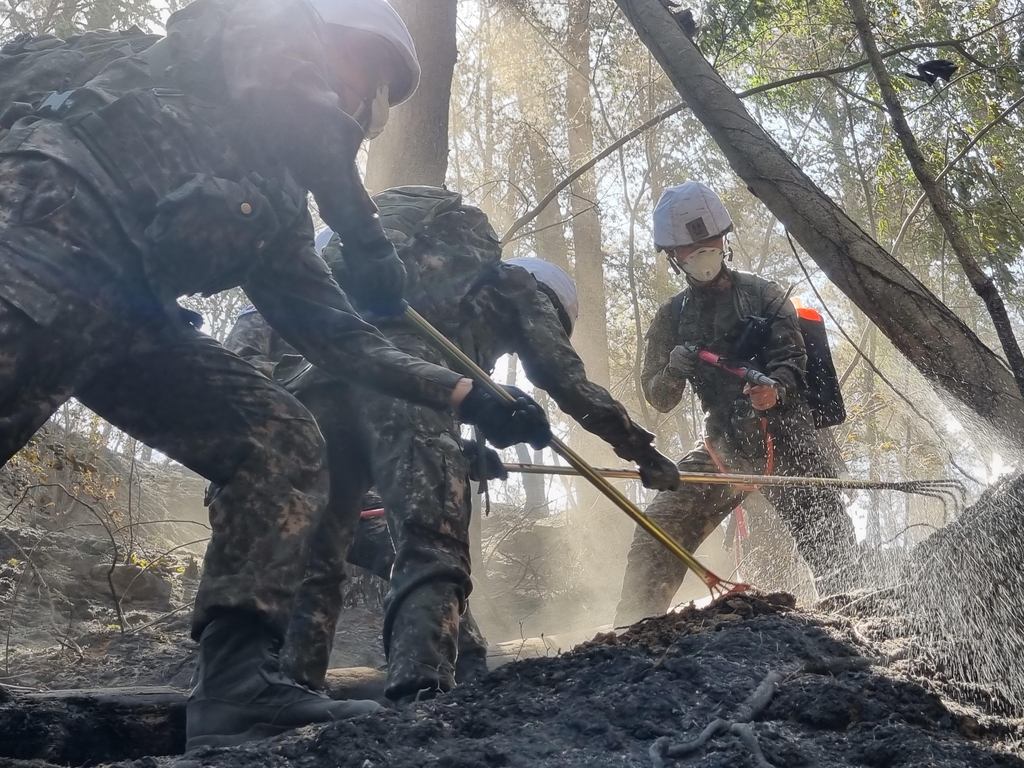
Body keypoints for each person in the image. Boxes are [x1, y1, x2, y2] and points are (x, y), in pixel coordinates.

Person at [0, 0, 550, 750]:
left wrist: (469, 395)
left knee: (279, 437)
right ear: (329, 43)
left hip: (130, 316)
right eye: (370, 78)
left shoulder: (282, 211)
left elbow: (343, 341)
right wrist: (365, 240)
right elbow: (301, 108)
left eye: (383, 99)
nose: (367, 107)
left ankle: (235, 690)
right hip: (44, 241)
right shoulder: (268, 33)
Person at [225, 185, 679, 703]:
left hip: (330, 371)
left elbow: (385, 436)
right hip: (408, 383)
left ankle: (290, 693)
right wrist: (640, 451)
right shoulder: (520, 288)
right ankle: (422, 695)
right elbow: (569, 383)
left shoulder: (447, 298)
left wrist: (461, 451)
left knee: (323, 549)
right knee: (430, 541)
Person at [614, 181, 857, 626]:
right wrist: (674, 368)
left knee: (830, 538)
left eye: (707, 243)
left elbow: (793, 361)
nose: (701, 253)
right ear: (673, 256)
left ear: (724, 240)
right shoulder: (670, 318)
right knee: (660, 527)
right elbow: (659, 397)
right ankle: (629, 632)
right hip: (723, 447)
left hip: (792, 441)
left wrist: (774, 389)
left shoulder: (766, 295)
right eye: (689, 248)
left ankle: (860, 619)